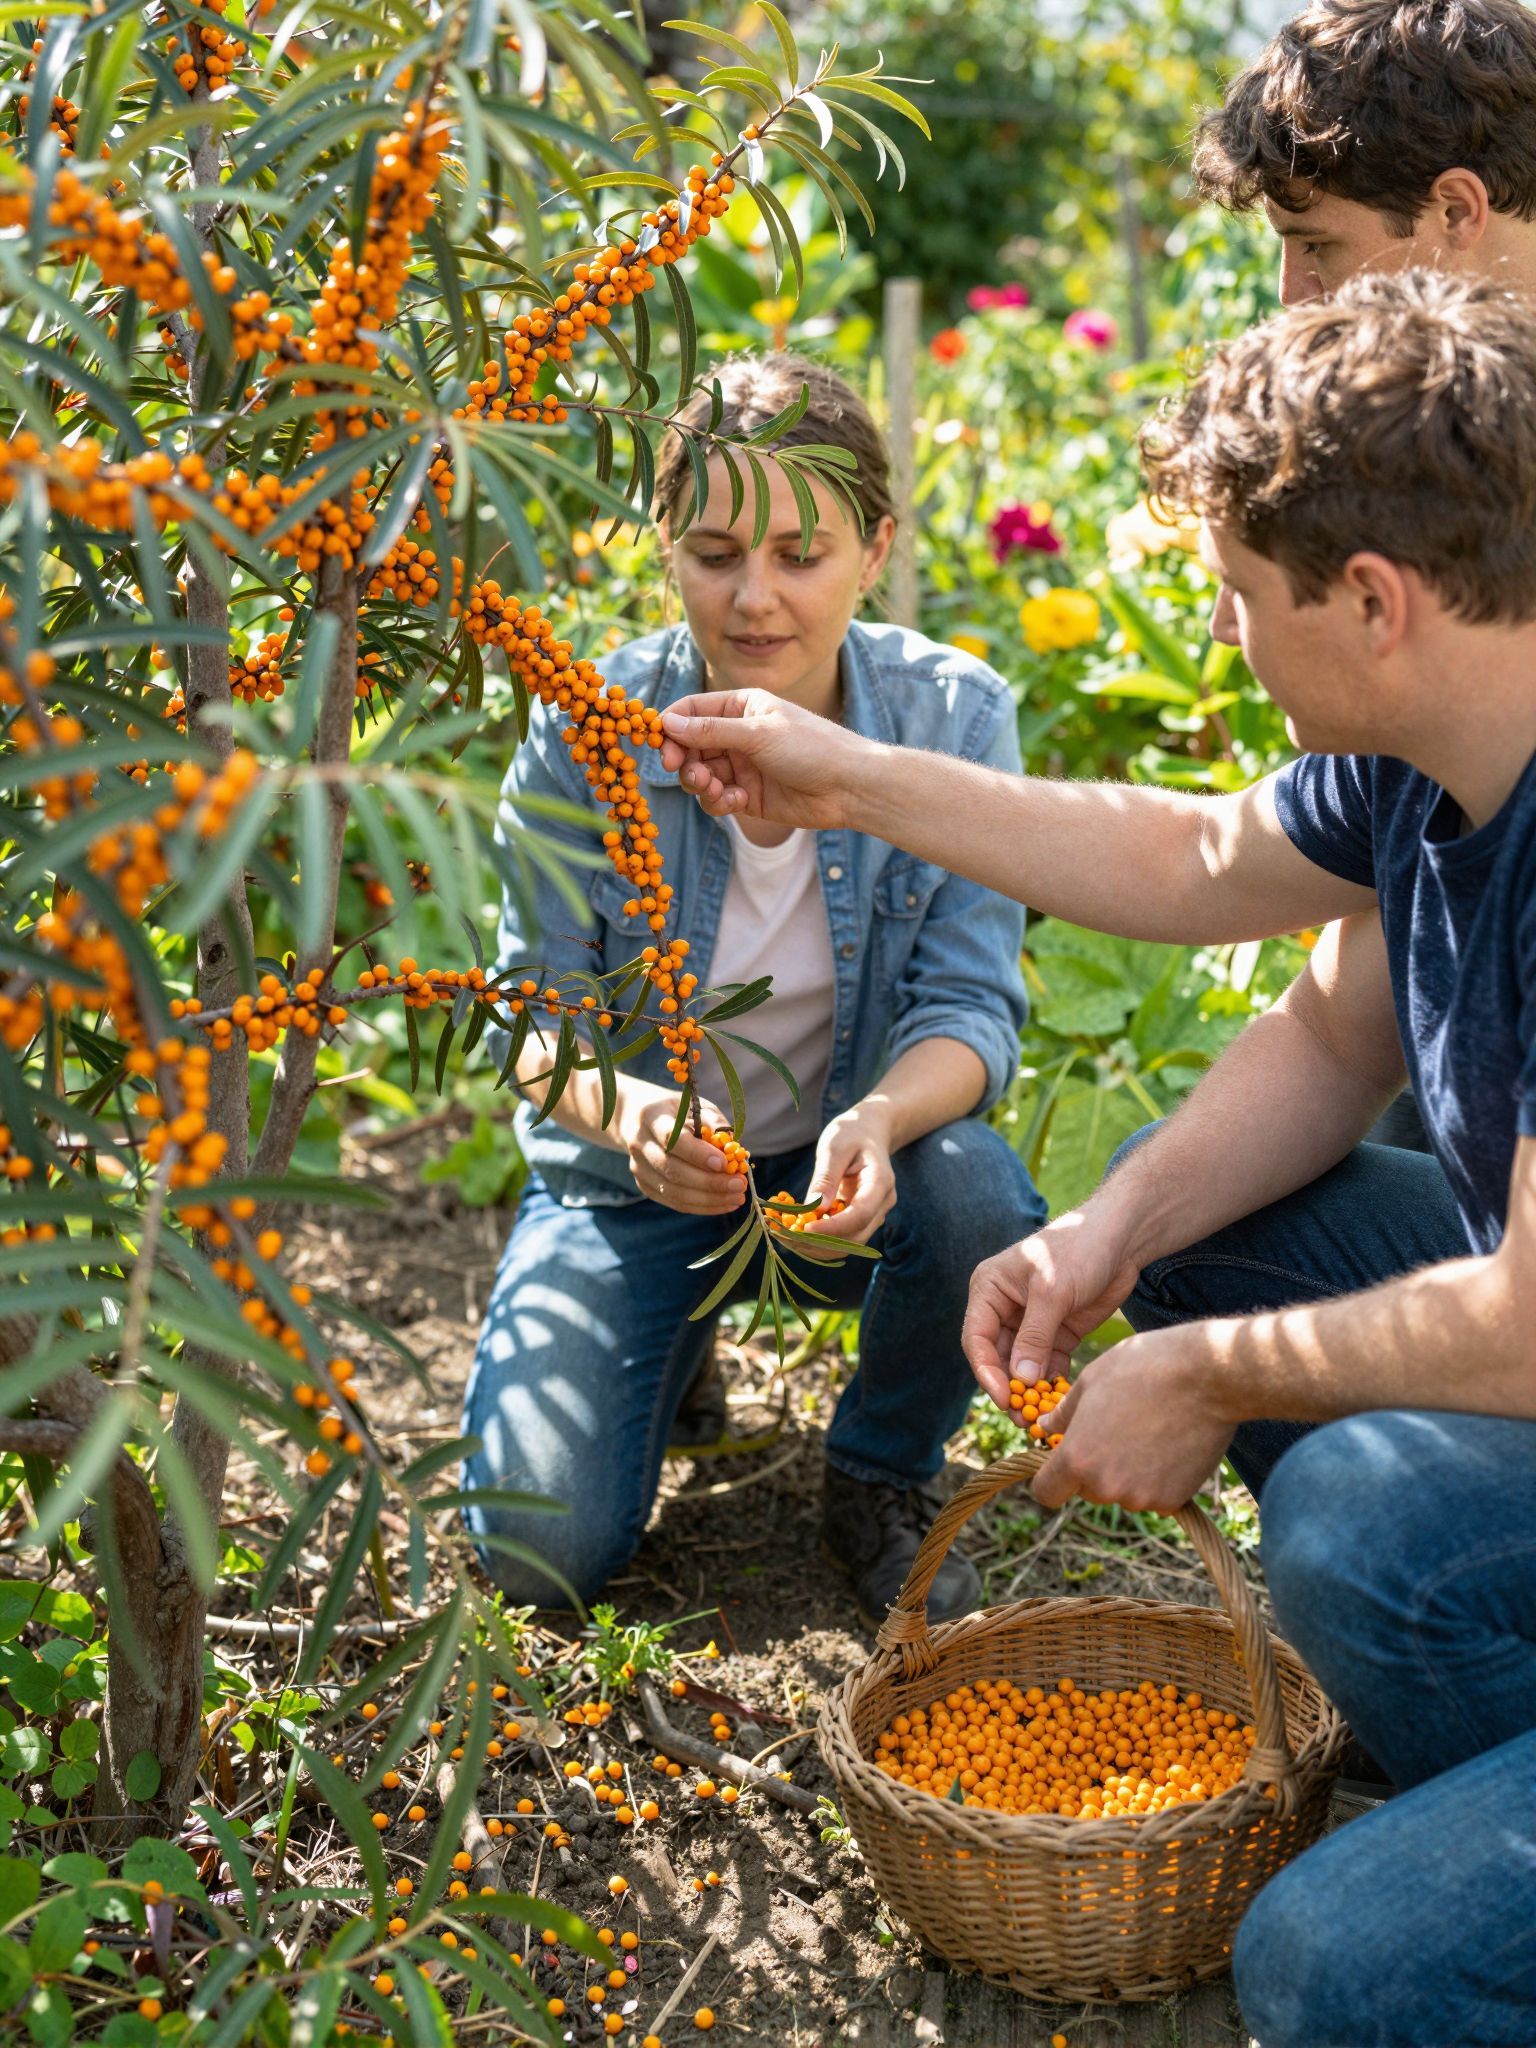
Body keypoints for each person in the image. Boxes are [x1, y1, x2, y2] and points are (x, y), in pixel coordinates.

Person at [662, 271, 1536, 2045]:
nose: (1220, 637)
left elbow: (1526, 1322)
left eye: (1236, 600)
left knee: (1332, 1969)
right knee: (1201, 1226)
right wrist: (1107, 1238)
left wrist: (1201, 1375)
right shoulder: (1426, 749)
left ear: (1371, 602)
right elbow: (1249, 930)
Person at [461, 355, 1047, 1628]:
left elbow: (970, 1006)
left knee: (979, 1193)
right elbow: (525, 1013)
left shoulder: (947, 721)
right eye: (717, 549)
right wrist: (632, 1118)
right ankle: (667, 1340)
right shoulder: (587, 729)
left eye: (801, 551)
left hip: (852, 1172)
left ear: (876, 547)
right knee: (538, 1549)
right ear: (667, 544)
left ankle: (880, 1467)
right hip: (638, 1179)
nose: (756, 594)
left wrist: (881, 1122)